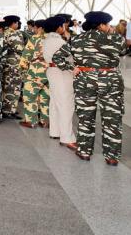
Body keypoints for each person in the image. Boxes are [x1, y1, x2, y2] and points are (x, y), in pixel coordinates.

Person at [53, 11, 130, 165]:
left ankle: (84, 151)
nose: (109, 27)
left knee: (85, 117)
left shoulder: (77, 39)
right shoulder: (115, 39)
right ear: (101, 24)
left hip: (84, 80)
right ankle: (112, 156)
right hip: (110, 82)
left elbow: (57, 57)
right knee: (112, 118)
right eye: (107, 24)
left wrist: (71, 68)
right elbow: (124, 51)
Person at [42, 16, 77, 150]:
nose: (65, 28)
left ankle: (55, 131)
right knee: (66, 105)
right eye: (63, 25)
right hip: (61, 73)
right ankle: (67, 138)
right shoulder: (58, 42)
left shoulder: (49, 39)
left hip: (52, 71)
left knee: (55, 103)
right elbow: (71, 57)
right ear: (58, 27)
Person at [19, 19, 50, 129]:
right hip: (51, 72)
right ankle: (45, 122)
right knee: (45, 97)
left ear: (40, 28)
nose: (35, 30)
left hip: (36, 72)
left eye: (35, 28)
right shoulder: (55, 38)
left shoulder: (36, 38)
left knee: (29, 96)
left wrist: (23, 69)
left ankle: (31, 121)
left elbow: (26, 56)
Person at [1, 15, 25, 120]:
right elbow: (20, 48)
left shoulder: (5, 32)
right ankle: (8, 111)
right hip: (13, 64)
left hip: (9, 64)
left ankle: (11, 109)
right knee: (12, 87)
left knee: (10, 87)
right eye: (17, 23)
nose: (18, 25)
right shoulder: (12, 34)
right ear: (14, 23)